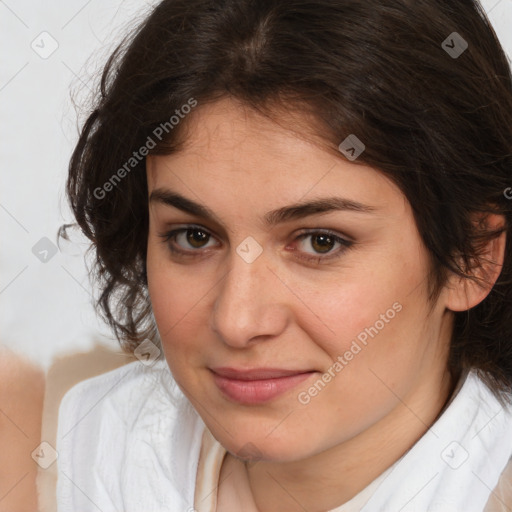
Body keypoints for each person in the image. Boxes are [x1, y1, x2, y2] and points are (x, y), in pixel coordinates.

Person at [56, 0, 512, 510]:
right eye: (194, 237)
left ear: (471, 257)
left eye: (321, 242)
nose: (236, 321)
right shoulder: (85, 442)